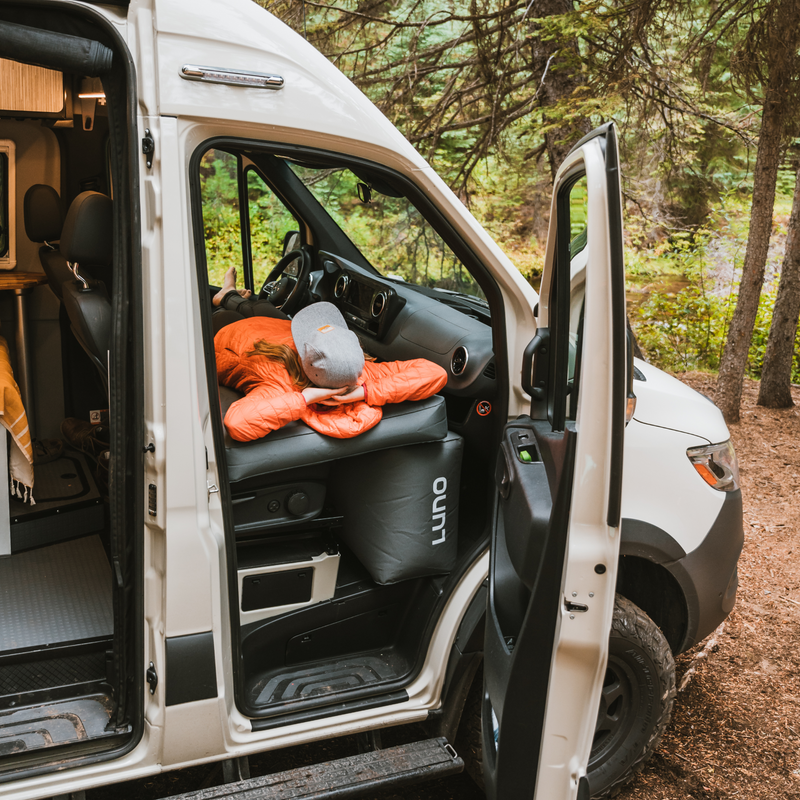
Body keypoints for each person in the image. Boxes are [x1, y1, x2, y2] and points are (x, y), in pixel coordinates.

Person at [216, 300, 448, 441]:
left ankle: (228, 296)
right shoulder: (359, 370)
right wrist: (364, 392)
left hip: (230, 339)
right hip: (275, 330)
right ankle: (229, 294)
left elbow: (237, 423)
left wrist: (305, 397)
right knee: (263, 307)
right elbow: (434, 372)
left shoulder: (280, 385)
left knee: (237, 311)